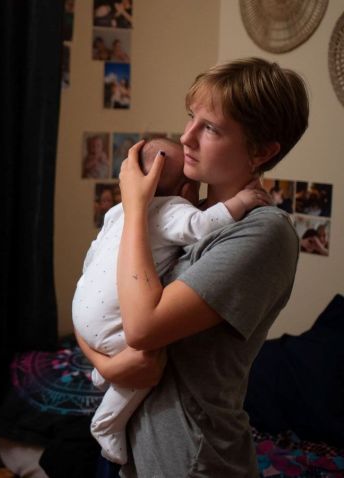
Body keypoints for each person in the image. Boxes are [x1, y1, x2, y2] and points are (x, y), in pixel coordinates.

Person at [76, 57, 308, 477]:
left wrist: (134, 207)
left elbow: (141, 326)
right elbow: (96, 299)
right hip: (142, 454)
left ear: (262, 151)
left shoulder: (264, 233)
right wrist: (105, 364)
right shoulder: (181, 213)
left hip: (192, 458)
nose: (186, 137)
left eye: (211, 128)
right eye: (190, 118)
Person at [73, 138, 270, 465]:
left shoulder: (117, 211)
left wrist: (103, 361)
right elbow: (203, 225)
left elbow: (93, 255)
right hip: (114, 324)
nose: (189, 136)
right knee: (151, 357)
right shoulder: (174, 210)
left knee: (122, 343)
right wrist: (242, 201)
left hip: (83, 308)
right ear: (185, 189)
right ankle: (107, 422)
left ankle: (104, 369)